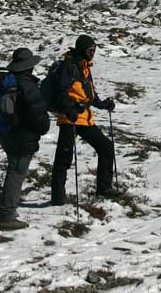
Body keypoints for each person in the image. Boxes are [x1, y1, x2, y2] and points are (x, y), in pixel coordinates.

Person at [50, 35, 118, 205]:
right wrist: (69, 110)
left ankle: (104, 187)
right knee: (64, 158)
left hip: (84, 118)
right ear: (82, 49)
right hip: (70, 119)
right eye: (90, 50)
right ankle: (58, 198)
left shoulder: (85, 68)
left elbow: (90, 96)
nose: (93, 53)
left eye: (94, 50)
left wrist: (103, 104)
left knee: (106, 147)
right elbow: (61, 92)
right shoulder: (69, 66)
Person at [0, 48, 50, 230]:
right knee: (16, 173)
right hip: (22, 136)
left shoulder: (7, 81)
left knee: (14, 169)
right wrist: (43, 129)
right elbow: (38, 113)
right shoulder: (27, 85)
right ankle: (7, 216)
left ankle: (9, 211)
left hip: (6, 133)